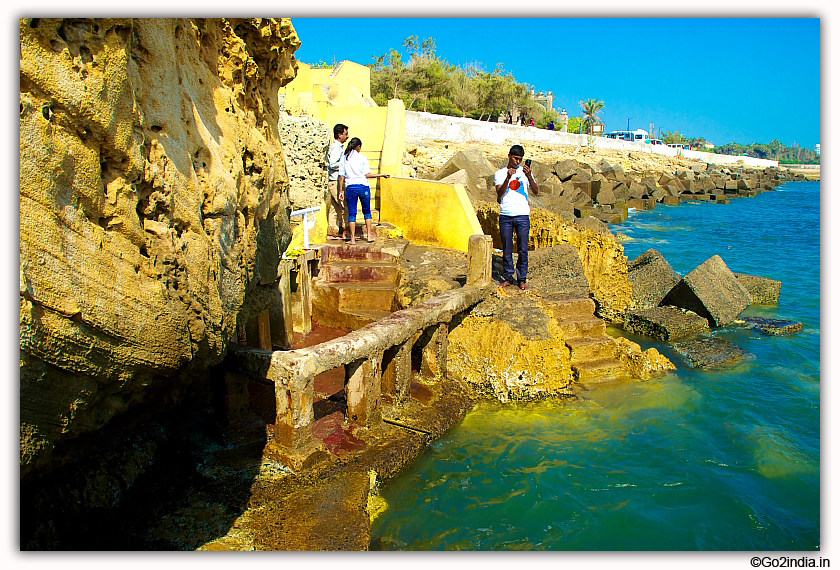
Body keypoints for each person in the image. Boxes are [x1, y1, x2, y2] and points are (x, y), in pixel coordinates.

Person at [495, 145, 539, 290]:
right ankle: (508, 277)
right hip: (506, 214)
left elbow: (536, 191)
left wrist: (529, 176)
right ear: (509, 156)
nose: (517, 162)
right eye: (515, 158)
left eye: (520, 159)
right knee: (507, 248)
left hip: (522, 214)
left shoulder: (525, 172)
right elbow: (500, 193)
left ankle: (522, 279)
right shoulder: (500, 173)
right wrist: (508, 177)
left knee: (523, 248)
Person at [339, 137, 390, 245]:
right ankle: (369, 236)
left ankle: (352, 239)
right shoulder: (362, 158)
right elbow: (367, 174)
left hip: (351, 187)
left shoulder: (344, 158)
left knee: (352, 213)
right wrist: (381, 175)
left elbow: (341, 176)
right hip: (363, 186)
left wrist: (341, 191)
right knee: (367, 211)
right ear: (358, 146)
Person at [326, 123, 349, 239]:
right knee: (344, 205)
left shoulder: (339, 147)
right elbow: (332, 164)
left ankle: (332, 232)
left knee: (335, 208)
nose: (347, 136)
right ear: (339, 135)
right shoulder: (336, 148)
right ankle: (346, 232)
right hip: (336, 181)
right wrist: (344, 164)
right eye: (346, 134)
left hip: (333, 180)